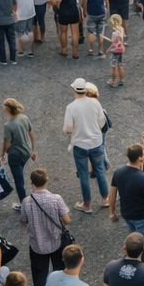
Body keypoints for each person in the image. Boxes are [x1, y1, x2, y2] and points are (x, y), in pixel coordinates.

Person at [63, 78, 110, 212]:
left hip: (80, 144)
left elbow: (68, 127)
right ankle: (105, 198)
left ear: (74, 90)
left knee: (84, 174)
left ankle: (87, 204)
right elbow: (102, 121)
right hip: (96, 142)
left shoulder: (71, 107)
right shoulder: (95, 103)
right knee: (100, 170)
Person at [0, 98, 36, 205]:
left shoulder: (8, 125)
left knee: (19, 181)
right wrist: (33, 150)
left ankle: (23, 204)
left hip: (15, 155)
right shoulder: (24, 118)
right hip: (26, 152)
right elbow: (31, 134)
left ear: (7, 110)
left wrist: (2, 154)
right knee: (20, 173)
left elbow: (7, 143)